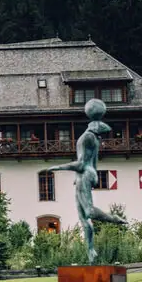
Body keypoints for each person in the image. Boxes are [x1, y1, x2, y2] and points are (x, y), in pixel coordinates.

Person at [44, 99, 128, 261]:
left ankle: (114, 219)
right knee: (84, 219)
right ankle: (91, 251)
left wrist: (58, 167)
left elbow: (81, 164)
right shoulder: (94, 138)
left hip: (84, 174)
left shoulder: (86, 138)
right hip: (85, 176)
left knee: (88, 212)